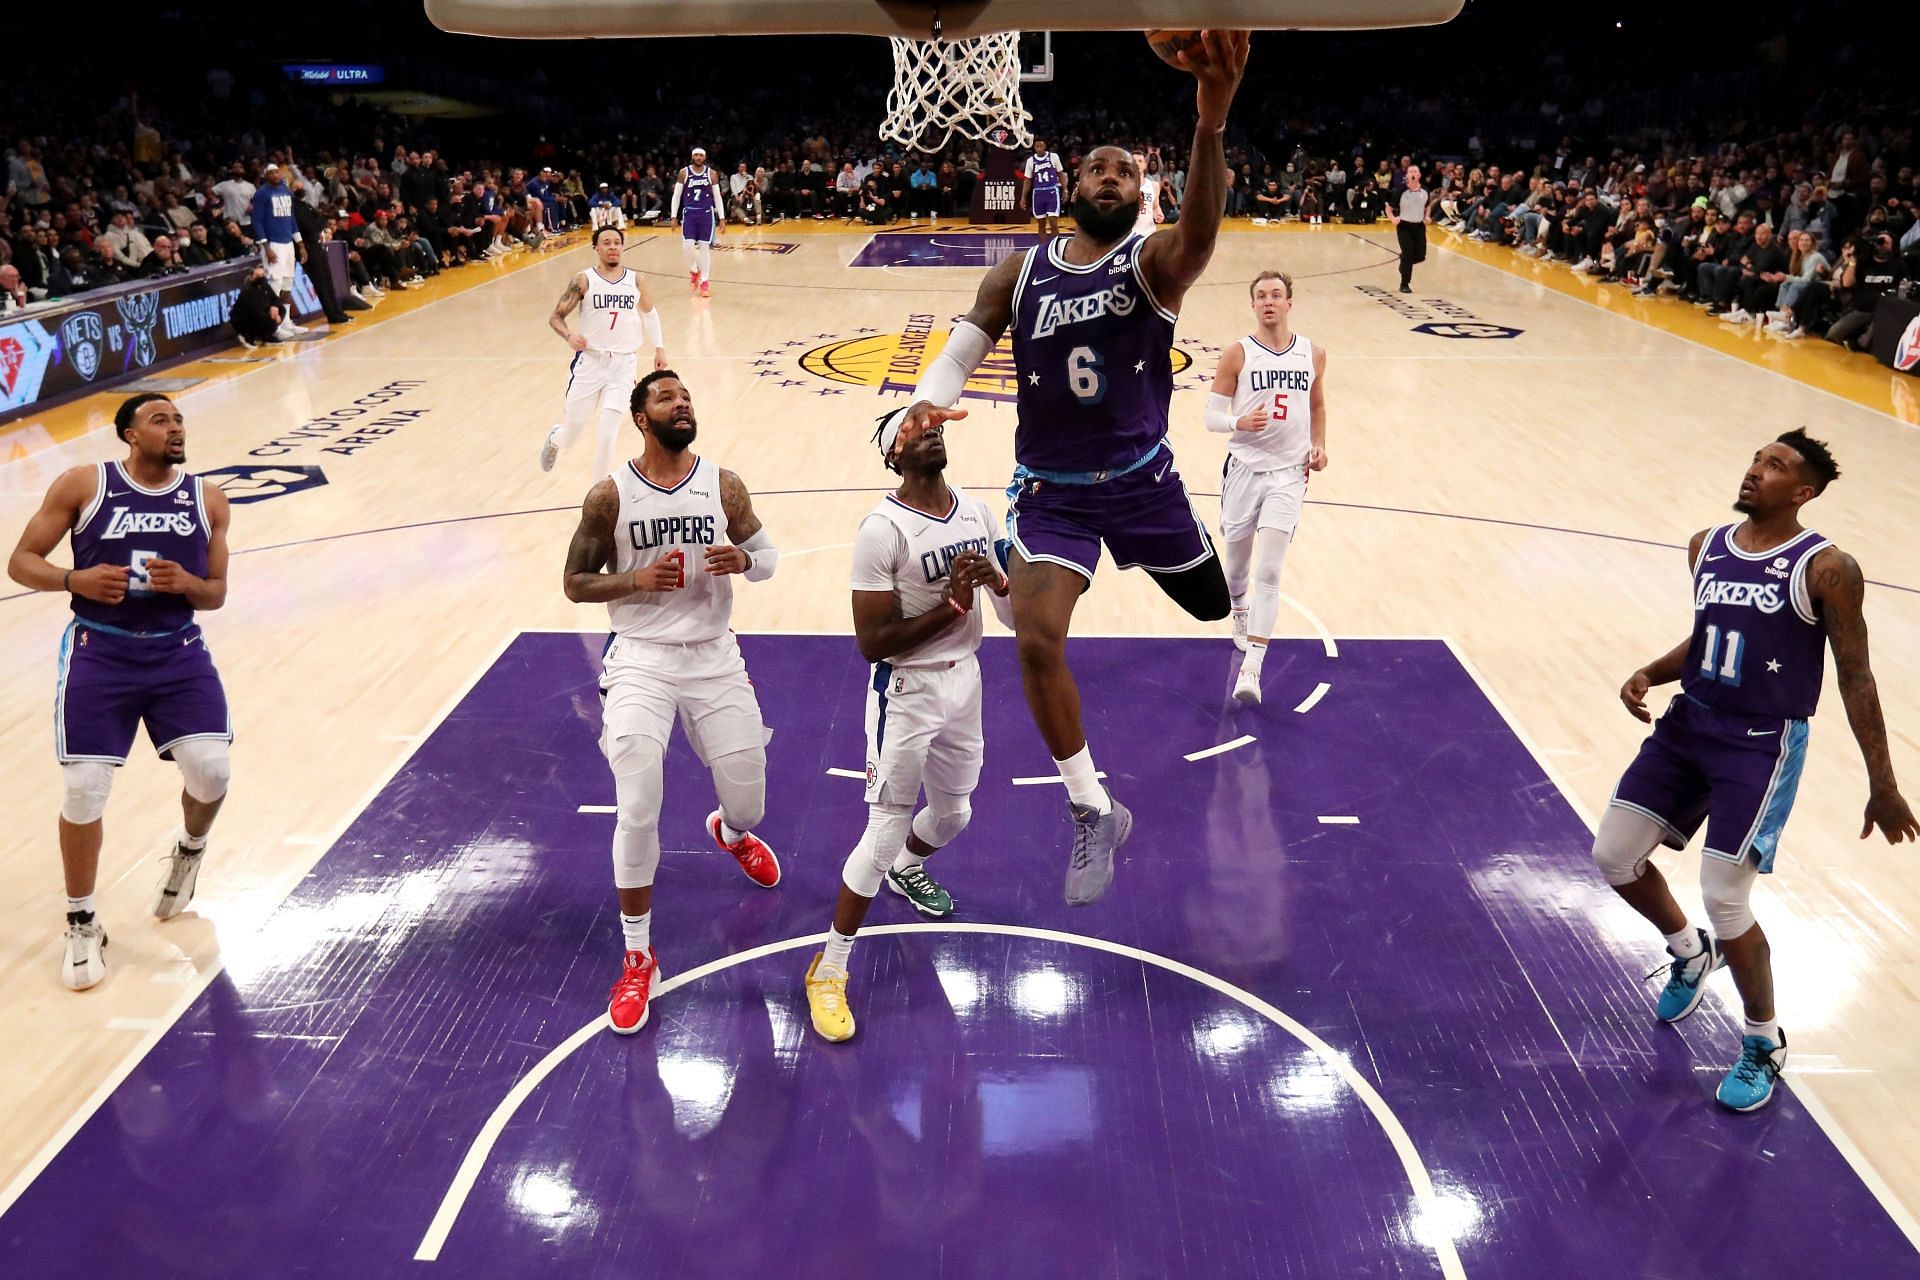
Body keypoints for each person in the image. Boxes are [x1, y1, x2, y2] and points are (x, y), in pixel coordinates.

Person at [893, 29, 1249, 906]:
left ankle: (1187, 549)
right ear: (1072, 185)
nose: (1108, 180)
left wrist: (1211, 120)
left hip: (1144, 483)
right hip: (1051, 495)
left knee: (1213, 606)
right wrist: (931, 395)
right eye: (1097, 170)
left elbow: (1200, 234)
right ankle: (1093, 807)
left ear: (1140, 195)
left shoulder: (1153, 264)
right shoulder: (1021, 271)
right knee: (1036, 635)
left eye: (1125, 174)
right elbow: (966, 341)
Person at [1594, 430, 1916, 1111]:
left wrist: (1882, 783)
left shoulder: (1827, 567)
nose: (1755, 471)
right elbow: (1713, 633)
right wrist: (1652, 671)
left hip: (1760, 745)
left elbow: (1855, 675)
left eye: (1775, 466)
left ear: (1803, 493)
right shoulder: (1705, 545)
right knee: (1615, 857)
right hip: (1688, 725)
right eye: (1755, 459)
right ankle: (1689, 952)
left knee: (1726, 895)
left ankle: (1764, 1040)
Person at [561, 370, 784, 1034]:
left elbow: (769, 555)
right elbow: (574, 583)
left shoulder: (724, 483)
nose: (681, 402)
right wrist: (634, 579)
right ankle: (638, 958)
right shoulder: (610, 496)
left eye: (687, 395)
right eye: (665, 397)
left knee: (751, 799)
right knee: (637, 806)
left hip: (715, 654)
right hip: (640, 661)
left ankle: (731, 830)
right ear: (640, 418)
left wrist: (744, 564)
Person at [5, 394, 234, 991]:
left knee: (211, 772)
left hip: (176, 651)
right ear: (130, 435)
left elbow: (216, 595)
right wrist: (71, 579)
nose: (175, 427)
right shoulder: (85, 484)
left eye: (179, 419)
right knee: (83, 790)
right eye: (161, 420)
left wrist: (188, 583)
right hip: (100, 652)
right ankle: (82, 922)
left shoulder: (207, 499)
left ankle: (189, 848)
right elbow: (21, 561)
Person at [802, 408, 1014, 1043]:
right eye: (911, 427)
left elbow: (1004, 613)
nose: (928, 428)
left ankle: (905, 870)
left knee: (954, 816)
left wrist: (999, 581)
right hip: (908, 687)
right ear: (893, 456)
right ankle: (829, 968)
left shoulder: (976, 513)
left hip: (966, 679)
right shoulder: (882, 530)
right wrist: (951, 606)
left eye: (932, 422)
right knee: (884, 829)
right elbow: (873, 642)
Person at [1205, 271, 1329, 705]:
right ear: (1253, 305)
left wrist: (1318, 445)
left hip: (1289, 475)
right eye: (1261, 296)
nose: (1269, 301)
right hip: (1244, 470)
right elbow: (1211, 417)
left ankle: (1252, 669)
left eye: (1277, 294)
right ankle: (1239, 610)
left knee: (1270, 571)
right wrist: (1239, 421)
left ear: (1290, 302)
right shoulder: (1238, 354)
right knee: (1236, 569)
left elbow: (1316, 403)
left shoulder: (1313, 353)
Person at [540, 225, 669, 480]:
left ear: (622, 246)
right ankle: (555, 439)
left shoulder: (636, 280)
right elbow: (555, 317)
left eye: (616, 243)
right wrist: (569, 336)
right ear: (596, 248)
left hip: (623, 366)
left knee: (608, 435)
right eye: (606, 243)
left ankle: (598, 499)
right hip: (590, 362)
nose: (612, 247)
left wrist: (659, 347)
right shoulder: (584, 280)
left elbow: (649, 314)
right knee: (571, 434)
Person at [250, 163, 305, 341]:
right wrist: (266, 248)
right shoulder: (261, 194)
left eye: (277, 172)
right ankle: (273, 326)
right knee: (274, 285)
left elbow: (292, 219)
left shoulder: (286, 191)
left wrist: (300, 244)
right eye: (272, 172)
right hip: (273, 244)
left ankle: (286, 321)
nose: (276, 175)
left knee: (288, 284)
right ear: (266, 175)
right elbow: (257, 221)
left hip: (288, 243)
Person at [672, 146, 725, 297]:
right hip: (689, 213)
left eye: (701, 155)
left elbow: (717, 197)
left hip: (706, 214)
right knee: (687, 246)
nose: (698, 157)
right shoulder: (684, 173)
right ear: (692, 157)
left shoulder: (711, 174)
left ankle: (705, 281)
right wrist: (673, 216)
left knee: (704, 248)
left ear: (705, 157)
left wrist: (722, 217)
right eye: (696, 155)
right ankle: (694, 270)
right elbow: (676, 196)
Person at [1386, 163, 1428, 293]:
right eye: (1411, 172)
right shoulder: (1400, 191)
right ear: (1407, 175)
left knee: (1420, 256)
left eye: (1416, 171)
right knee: (1409, 256)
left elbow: (1428, 205)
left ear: (1419, 175)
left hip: (1420, 227)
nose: (1413, 174)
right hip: (1404, 227)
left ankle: (1403, 261)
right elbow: (1389, 208)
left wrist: (1427, 216)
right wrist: (1393, 218)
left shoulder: (1425, 191)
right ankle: (1404, 283)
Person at [1023, 137, 1066, 239]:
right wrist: (1023, 197)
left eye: (1041, 146)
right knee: (1041, 225)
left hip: (1051, 191)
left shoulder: (1053, 157)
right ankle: (1044, 249)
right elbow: (1027, 180)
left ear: (1045, 146)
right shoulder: (1030, 161)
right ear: (1034, 147)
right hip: (1038, 193)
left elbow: (1061, 174)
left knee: (1053, 222)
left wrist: (1065, 189)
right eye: (1037, 146)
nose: (1039, 148)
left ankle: (1055, 246)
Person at [1132, 150, 1165, 238]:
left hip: (1148, 235)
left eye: (1140, 161)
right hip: (1128, 236)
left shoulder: (1154, 186)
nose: (1137, 164)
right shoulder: (1122, 186)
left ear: (1145, 164)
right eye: (1134, 161)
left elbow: (1155, 206)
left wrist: (1158, 213)